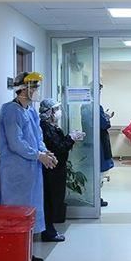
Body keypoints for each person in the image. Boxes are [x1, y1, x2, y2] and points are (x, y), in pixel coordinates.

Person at [0, 72, 57, 261]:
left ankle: (27, 255)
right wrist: (37, 155)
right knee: (17, 213)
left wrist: (45, 152)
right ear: (23, 89)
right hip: (16, 172)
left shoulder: (30, 111)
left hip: (32, 170)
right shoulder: (10, 111)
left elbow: (37, 137)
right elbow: (16, 143)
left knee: (30, 211)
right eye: (34, 87)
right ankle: (16, 256)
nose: (37, 91)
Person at [39, 98, 85, 242]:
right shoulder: (45, 127)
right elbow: (58, 148)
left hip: (57, 169)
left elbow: (59, 144)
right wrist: (70, 138)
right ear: (49, 112)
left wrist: (71, 137)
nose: (59, 112)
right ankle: (48, 231)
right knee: (50, 201)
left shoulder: (52, 127)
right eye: (56, 109)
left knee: (55, 200)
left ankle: (50, 229)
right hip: (51, 170)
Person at [81, 82, 115, 206]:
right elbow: (104, 124)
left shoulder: (84, 106)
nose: (99, 93)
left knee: (92, 172)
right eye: (98, 91)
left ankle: (91, 197)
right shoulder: (96, 106)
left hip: (89, 141)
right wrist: (107, 117)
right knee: (98, 172)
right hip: (99, 143)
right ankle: (95, 198)